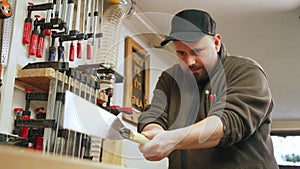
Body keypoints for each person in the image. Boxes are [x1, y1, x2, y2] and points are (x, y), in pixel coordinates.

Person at [137, 9, 278, 169]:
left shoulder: (246, 71)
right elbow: (154, 114)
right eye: (181, 53)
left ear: (216, 43)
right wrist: (154, 132)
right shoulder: (170, 79)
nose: (189, 61)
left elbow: (229, 122)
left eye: (197, 51)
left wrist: (171, 139)